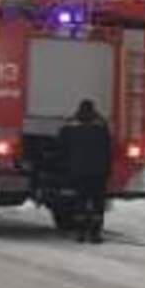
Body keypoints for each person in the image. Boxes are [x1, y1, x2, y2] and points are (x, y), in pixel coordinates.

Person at [57, 99, 113, 243]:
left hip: (79, 172)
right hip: (98, 173)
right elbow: (109, 149)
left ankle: (80, 233)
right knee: (97, 204)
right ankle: (95, 234)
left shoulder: (70, 128)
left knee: (80, 202)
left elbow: (62, 146)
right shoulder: (101, 128)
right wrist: (107, 170)